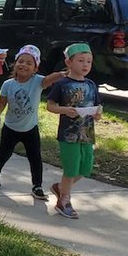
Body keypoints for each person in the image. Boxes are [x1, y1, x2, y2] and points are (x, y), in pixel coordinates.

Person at [0, 45, 67, 199]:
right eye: (21, 61)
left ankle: (37, 186)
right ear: (15, 63)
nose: (24, 65)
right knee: (4, 153)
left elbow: (50, 79)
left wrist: (64, 73)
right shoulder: (8, 84)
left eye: (29, 63)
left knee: (35, 158)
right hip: (10, 128)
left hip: (30, 129)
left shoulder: (38, 82)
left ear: (35, 68)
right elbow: (2, 101)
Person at [45, 42, 102, 219]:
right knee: (70, 169)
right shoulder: (62, 84)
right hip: (68, 134)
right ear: (69, 63)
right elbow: (50, 106)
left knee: (85, 168)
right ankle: (64, 201)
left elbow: (98, 105)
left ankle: (60, 188)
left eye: (89, 61)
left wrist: (98, 114)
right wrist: (65, 110)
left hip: (87, 133)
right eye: (81, 60)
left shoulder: (91, 84)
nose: (85, 65)